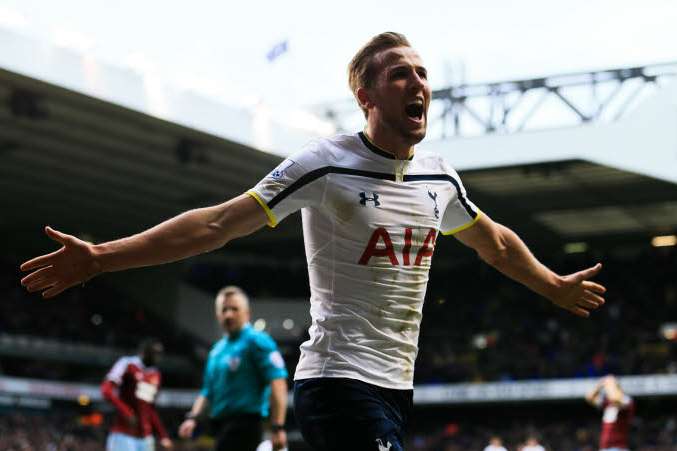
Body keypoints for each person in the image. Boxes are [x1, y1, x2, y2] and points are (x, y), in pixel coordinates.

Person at [20, 32, 607, 451]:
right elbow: (218, 223)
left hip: (396, 386)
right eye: (400, 73)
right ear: (367, 97)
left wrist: (551, 283)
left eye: (423, 73)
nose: (418, 83)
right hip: (336, 380)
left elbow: (495, 244)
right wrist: (101, 257)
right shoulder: (323, 165)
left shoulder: (439, 175)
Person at [177, 286, 288, 451]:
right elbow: (208, 391)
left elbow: (277, 382)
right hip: (219, 425)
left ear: (247, 313)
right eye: (224, 309)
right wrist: (192, 418)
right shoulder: (216, 351)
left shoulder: (257, 341)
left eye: (234, 309)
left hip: (246, 424)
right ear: (217, 315)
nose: (228, 314)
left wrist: (277, 426)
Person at [100, 339, 173, 450]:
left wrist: (163, 436)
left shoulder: (155, 375)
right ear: (144, 352)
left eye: (160, 353)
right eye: (155, 353)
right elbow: (106, 390)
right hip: (123, 434)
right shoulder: (127, 364)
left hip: (146, 438)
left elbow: (149, 408)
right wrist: (126, 412)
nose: (158, 357)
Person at [585, 375, 634, 451]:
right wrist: (600, 385)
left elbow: (615, 399)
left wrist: (610, 384)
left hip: (619, 448)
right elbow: (589, 398)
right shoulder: (607, 403)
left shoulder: (626, 400)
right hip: (605, 448)